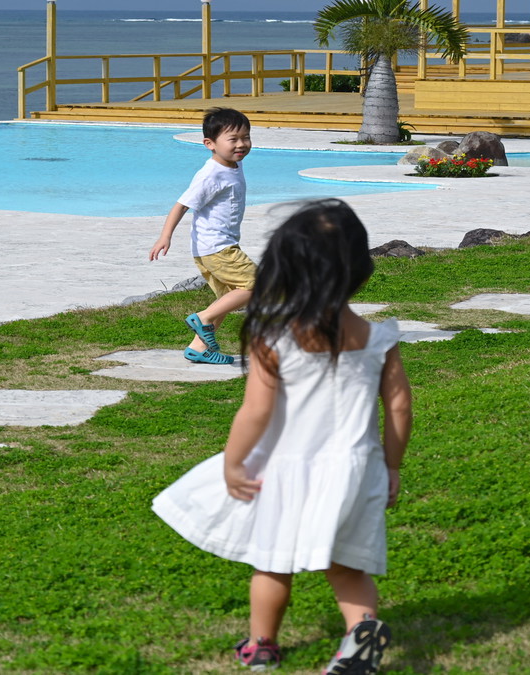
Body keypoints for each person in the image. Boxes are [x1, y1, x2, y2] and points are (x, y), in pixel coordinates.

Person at [153, 199, 413, 673]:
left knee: (272, 562)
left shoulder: (274, 337)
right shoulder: (379, 338)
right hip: (356, 468)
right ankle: (361, 635)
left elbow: (255, 411)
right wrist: (392, 466)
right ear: (359, 268)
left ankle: (263, 645)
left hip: (287, 472)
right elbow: (398, 406)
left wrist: (233, 462)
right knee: (348, 566)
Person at [149, 107, 255, 365]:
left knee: (227, 299)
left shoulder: (232, 163)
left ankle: (199, 348)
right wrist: (166, 236)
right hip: (218, 248)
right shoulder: (210, 175)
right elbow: (181, 204)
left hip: (213, 246)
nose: (241, 144)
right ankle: (202, 318)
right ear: (209, 144)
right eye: (233, 139)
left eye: (246, 137)